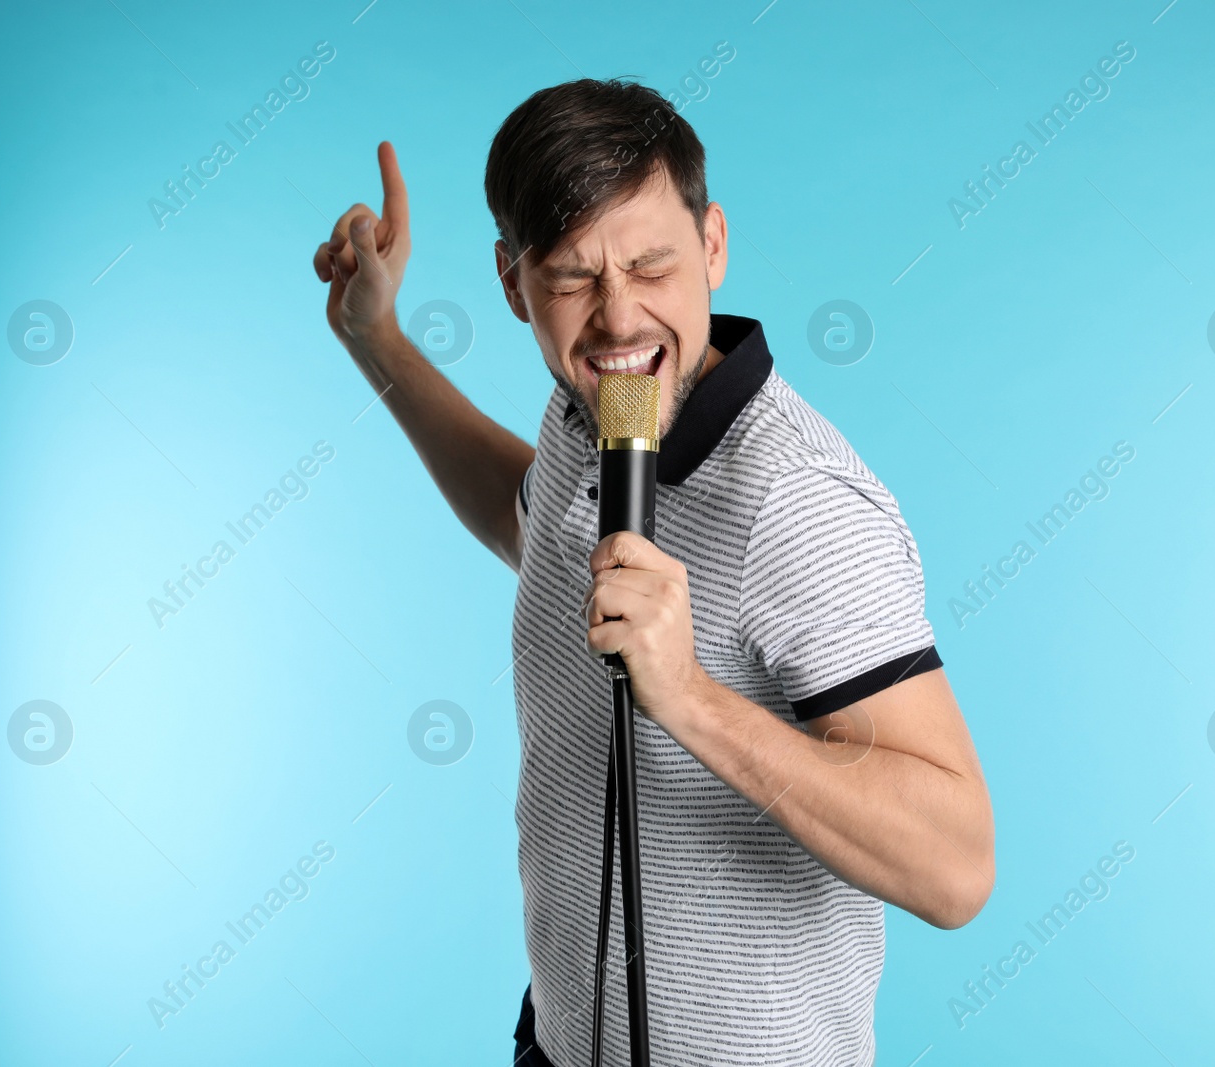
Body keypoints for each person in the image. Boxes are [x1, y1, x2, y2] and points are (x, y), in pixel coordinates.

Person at [311, 78, 995, 1067]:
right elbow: (535, 525)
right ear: (513, 284)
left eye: (650, 265)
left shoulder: (794, 499)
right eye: (573, 279)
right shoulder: (589, 410)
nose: (619, 320)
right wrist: (374, 338)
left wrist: (692, 698)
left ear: (712, 244)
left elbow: (955, 863)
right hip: (560, 1040)